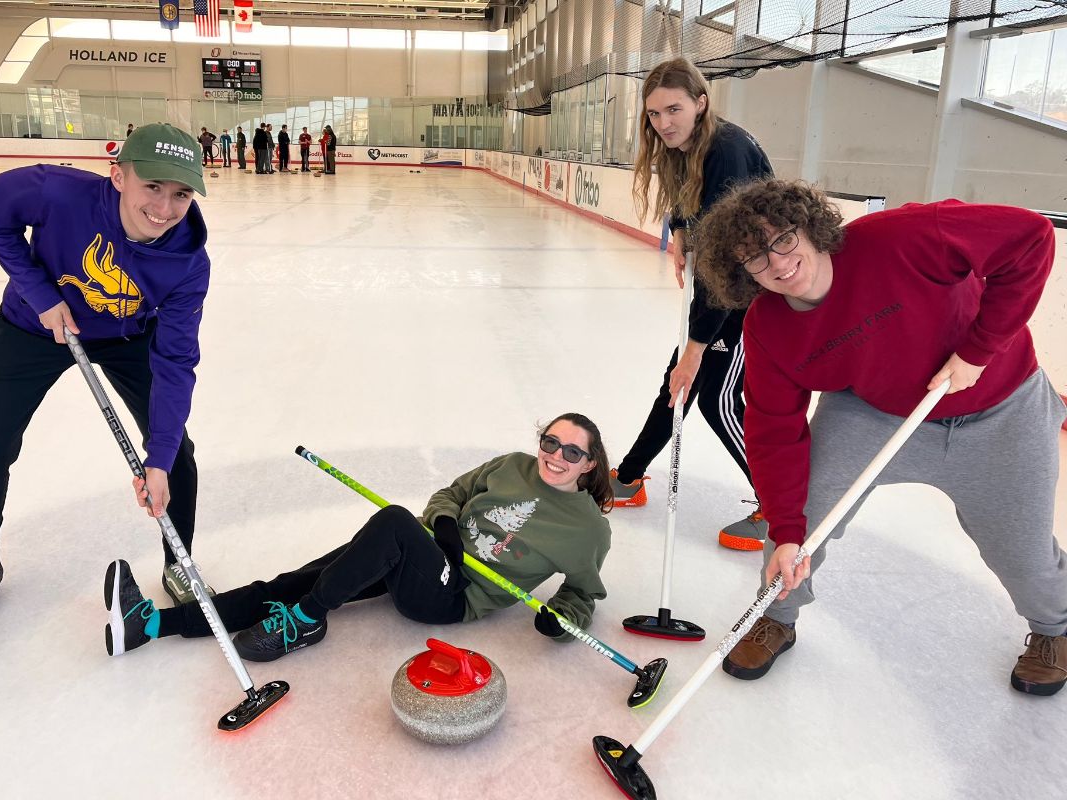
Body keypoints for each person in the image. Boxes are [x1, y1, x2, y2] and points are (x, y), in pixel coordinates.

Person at [693, 178, 1067, 696]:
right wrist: (784, 528)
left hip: (1001, 408)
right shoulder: (767, 327)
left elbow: (1029, 237)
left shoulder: (902, 238)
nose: (778, 264)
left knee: (1021, 551)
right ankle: (776, 614)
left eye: (782, 239)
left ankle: (1055, 630)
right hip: (875, 412)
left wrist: (980, 349)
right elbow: (773, 430)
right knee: (804, 517)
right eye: (755, 260)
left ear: (809, 225)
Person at [0, 123, 214, 633]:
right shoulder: (57, 192)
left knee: (176, 453)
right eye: (152, 187)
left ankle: (180, 561)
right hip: (32, 328)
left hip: (128, 337)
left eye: (180, 194)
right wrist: (40, 294)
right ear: (117, 176)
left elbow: (176, 362)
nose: (165, 208)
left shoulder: (188, 263)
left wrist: (157, 458)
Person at [103, 413, 615, 663]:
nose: (556, 456)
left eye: (572, 453)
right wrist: (442, 525)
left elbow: (583, 592)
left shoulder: (588, 529)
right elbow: (451, 494)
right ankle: (151, 627)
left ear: (590, 465)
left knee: (392, 520)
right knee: (294, 582)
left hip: (452, 594)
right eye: (551, 442)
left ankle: (306, 622)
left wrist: (564, 619)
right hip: (422, 553)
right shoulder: (513, 465)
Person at [609, 57, 774, 552]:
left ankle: (781, 507)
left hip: (755, 293)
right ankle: (631, 476)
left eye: (673, 110)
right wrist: (681, 232)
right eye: (654, 114)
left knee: (716, 400)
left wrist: (697, 346)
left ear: (701, 103)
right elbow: (688, 202)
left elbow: (729, 265)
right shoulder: (689, 146)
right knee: (677, 386)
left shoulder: (727, 151)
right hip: (726, 285)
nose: (663, 124)